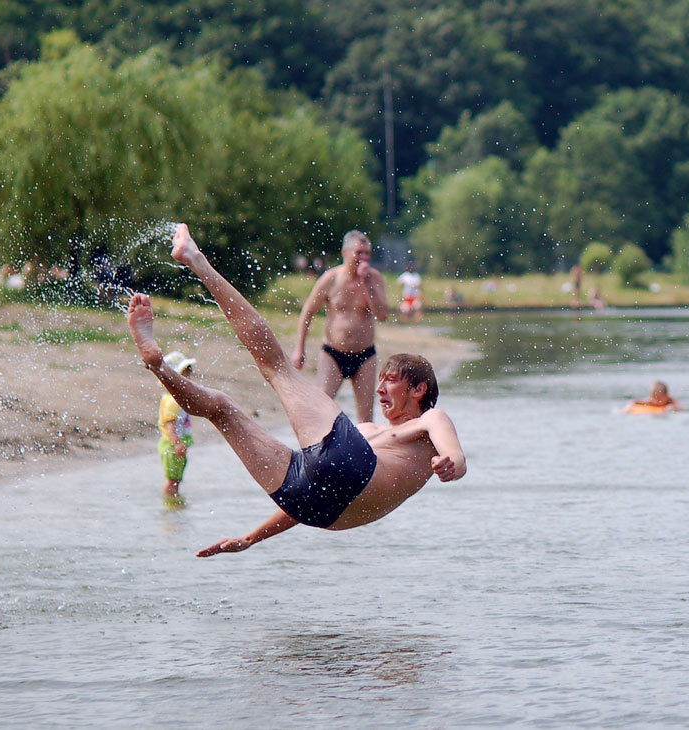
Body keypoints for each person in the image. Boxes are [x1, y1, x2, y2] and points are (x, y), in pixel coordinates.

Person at [127, 224, 466, 557]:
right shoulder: (371, 432)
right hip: (320, 510)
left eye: (391, 380)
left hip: (333, 486)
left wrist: (451, 465)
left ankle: (196, 260)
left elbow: (456, 457)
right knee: (220, 408)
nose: (380, 387)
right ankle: (158, 364)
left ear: (420, 389)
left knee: (276, 368)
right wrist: (252, 538)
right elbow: (323, 486)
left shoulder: (432, 419)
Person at [292, 230, 389, 422]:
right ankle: (319, 451)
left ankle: (363, 451)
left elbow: (382, 315)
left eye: (366, 253)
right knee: (321, 409)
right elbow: (308, 312)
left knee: (366, 419)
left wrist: (367, 283)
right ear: (345, 252)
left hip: (365, 356)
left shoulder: (375, 278)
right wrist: (299, 349)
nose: (363, 258)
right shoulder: (331, 278)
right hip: (333, 353)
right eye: (358, 253)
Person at [158, 350, 196, 506]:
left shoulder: (178, 397)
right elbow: (170, 424)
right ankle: (170, 504)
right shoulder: (173, 400)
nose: (189, 377)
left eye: (189, 373)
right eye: (184, 374)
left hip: (178, 444)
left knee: (176, 478)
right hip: (172, 445)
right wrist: (177, 443)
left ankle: (174, 502)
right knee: (172, 480)